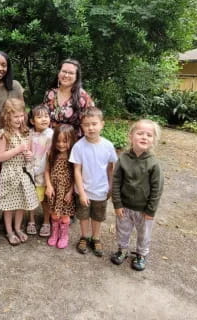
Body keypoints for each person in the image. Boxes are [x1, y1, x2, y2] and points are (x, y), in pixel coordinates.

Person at [111, 119, 164, 271]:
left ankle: (141, 254)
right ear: (131, 136)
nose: (144, 137)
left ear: (153, 140)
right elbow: (115, 182)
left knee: (144, 234)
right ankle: (122, 250)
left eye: (149, 135)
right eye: (140, 133)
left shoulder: (153, 163)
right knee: (122, 230)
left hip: (144, 210)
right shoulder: (123, 158)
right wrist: (117, 204)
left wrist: (151, 210)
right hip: (125, 207)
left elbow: (157, 189)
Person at [69, 107, 117, 257]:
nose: (90, 128)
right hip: (83, 190)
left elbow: (110, 168)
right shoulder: (78, 146)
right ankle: (84, 236)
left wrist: (110, 187)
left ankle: (95, 238)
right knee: (83, 216)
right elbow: (76, 170)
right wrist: (81, 192)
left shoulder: (108, 146)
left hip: (101, 190)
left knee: (97, 216)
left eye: (94, 124)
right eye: (86, 124)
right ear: (82, 127)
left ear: (102, 124)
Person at [0, 98, 39, 246]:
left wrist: (29, 156)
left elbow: (31, 153)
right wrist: (18, 150)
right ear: (7, 116)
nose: (19, 119)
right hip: (10, 173)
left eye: (21, 115)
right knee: (9, 206)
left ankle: (18, 228)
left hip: (24, 173)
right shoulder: (3, 134)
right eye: (16, 116)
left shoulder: (26, 132)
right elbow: (0, 157)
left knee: (21, 203)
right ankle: (9, 231)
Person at [42, 59, 94, 135]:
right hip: (50, 141)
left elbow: (90, 123)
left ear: (77, 77)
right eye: (64, 71)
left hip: (74, 143)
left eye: (71, 73)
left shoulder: (83, 97)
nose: (66, 75)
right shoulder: (50, 94)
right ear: (59, 73)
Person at [45, 125, 76, 249]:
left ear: (72, 140)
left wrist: (70, 191)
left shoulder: (73, 156)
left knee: (64, 215)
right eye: (58, 141)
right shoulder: (51, 154)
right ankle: (55, 233)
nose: (61, 144)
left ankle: (64, 235)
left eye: (65, 141)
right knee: (53, 213)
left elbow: (76, 175)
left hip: (66, 191)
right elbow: (46, 171)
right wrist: (48, 186)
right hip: (54, 189)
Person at [27, 105, 54, 237]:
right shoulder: (29, 134)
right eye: (39, 117)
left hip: (45, 173)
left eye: (46, 116)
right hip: (31, 171)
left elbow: (49, 156)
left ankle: (46, 222)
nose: (44, 119)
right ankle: (31, 220)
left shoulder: (51, 135)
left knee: (45, 200)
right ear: (32, 121)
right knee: (31, 197)